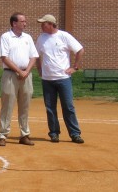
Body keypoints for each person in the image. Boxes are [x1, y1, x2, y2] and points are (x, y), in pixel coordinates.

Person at [35, 14, 84, 144]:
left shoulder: (64, 36)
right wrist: (39, 69)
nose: (41, 25)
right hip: (47, 79)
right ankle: (54, 133)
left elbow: (79, 50)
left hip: (63, 78)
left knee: (68, 106)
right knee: (50, 108)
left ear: (51, 24)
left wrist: (75, 67)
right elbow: (36, 55)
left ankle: (75, 134)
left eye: (43, 23)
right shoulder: (41, 38)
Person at [0, 12, 39, 146]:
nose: (25, 23)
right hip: (10, 74)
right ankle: (3, 135)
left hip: (26, 75)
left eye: (25, 21)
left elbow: (33, 56)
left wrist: (26, 71)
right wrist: (19, 71)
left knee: (25, 105)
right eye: (22, 21)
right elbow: (4, 57)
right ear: (14, 23)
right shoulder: (6, 37)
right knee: (7, 105)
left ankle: (25, 134)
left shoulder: (28, 37)